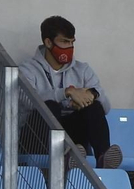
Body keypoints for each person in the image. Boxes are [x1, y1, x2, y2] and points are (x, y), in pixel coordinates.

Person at [17, 15, 122, 168]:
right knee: (50, 106)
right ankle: (65, 155)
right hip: (36, 138)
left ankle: (103, 158)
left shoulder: (83, 69)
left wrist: (90, 96)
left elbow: (105, 108)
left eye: (72, 42)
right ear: (48, 42)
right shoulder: (27, 70)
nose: (69, 47)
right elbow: (28, 100)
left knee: (93, 107)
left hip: (71, 137)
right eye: (64, 42)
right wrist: (67, 93)